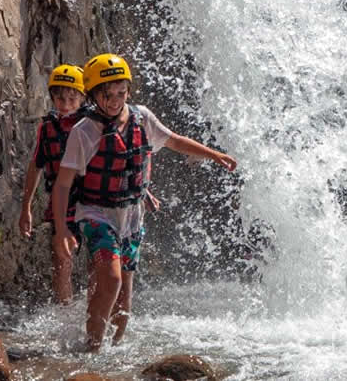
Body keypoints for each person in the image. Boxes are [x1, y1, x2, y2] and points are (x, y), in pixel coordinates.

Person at [50, 53, 237, 351]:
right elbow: (62, 184)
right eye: (107, 95)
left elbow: (174, 140)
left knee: (124, 305)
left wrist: (213, 154)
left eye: (121, 93)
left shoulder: (142, 118)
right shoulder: (83, 132)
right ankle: (91, 349)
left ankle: (113, 349)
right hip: (96, 213)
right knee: (111, 281)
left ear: (129, 91)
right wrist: (62, 230)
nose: (114, 100)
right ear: (93, 95)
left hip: (132, 216)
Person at [19, 64, 87, 304]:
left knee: (98, 256)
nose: (66, 104)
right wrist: (26, 206)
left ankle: (98, 308)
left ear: (82, 98)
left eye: (72, 98)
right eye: (59, 98)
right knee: (61, 257)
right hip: (63, 201)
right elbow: (36, 165)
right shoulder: (47, 127)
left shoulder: (91, 124)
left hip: (91, 198)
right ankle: (64, 307)